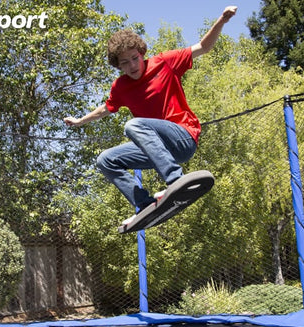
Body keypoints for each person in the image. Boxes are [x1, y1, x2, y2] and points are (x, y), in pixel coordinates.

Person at [64, 6, 237, 225]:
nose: (132, 66)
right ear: (117, 65)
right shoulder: (121, 87)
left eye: (134, 58)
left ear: (142, 53)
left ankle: (175, 180)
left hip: (183, 137)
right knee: (105, 160)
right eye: (124, 63)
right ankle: (144, 205)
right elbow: (105, 109)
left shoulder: (164, 62)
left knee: (133, 126)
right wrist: (79, 121)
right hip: (158, 149)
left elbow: (203, 47)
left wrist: (222, 20)